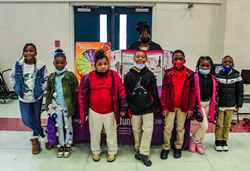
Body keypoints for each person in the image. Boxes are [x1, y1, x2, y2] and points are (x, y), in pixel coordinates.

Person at [78, 50, 128, 162]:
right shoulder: (89, 77)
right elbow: (83, 94)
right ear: (94, 65)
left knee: (111, 132)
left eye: (105, 64)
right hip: (94, 110)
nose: (103, 67)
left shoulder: (114, 76)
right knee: (95, 132)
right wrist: (84, 110)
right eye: (100, 64)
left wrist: (123, 108)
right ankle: (95, 151)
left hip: (110, 111)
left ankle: (112, 152)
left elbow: (121, 92)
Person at [9, 43, 50, 154]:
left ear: (35, 53)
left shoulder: (41, 66)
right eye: (26, 51)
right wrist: (16, 88)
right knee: (27, 120)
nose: (28, 53)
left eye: (31, 51)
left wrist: (41, 89)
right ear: (23, 53)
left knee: (36, 119)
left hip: (37, 97)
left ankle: (35, 142)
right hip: (23, 98)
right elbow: (11, 76)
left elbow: (46, 79)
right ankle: (43, 135)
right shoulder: (18, 65)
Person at [124, 50, 161, 167]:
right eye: (138, 56)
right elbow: (124, 92)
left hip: (148, 108)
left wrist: (157, 107)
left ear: (146, 59)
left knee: (148, 130)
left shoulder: (150, 74)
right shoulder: (129, 75)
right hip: (134, 108)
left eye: (142, 57)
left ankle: (144, 153)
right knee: (136, 130)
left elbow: (154, 92)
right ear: (134, 59)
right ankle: (138, 150)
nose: (140, 58)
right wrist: (125, 107)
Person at [160, 50, 196, 159]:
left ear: (184, 60)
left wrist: (190, 108)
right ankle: (166, 147)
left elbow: (192, 93)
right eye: (175, 59)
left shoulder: (190, 74)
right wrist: (164, 106)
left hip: (183, 107)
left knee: (180, 128)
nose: (178, 61)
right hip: (170, 107)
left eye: (180, 59)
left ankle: (178, 147)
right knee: (168, 128)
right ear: (172, 60)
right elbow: (164, 91)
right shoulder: (168, 73)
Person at [46, 49, 78, 158]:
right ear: (53, 63)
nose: (59, 65)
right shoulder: (51, 78)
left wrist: (74, 104)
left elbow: (75, 90)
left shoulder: (70, 76)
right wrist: (48, 108)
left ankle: (68, 143)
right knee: (59, 126)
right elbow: (49, 94)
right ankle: (61, 144)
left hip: (67, 106)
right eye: (57, 62)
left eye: (62, 63)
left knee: (68, 125)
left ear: (66, 63)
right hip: (56, 107)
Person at [189, 56, 219, 154]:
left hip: (209, 103)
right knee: (204, 126)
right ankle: (193, 139)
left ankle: (199, 143)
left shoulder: (213, 78)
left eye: (207, 66)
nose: (205, 68)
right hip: (199, 104)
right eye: (202, 65)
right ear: (198, 65)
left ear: (211, 66)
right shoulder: (194, 77)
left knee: (205, 124)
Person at [214, 55, 243, 151]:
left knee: (227, 125)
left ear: (233, 64)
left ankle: (224, 140)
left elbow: (240, 92)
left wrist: (238, 105)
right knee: (219, 124)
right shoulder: (217, 76)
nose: (227, 63)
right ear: (221, 64)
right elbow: (215, 91)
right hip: (220, 105)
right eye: (225, 62)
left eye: (229, 62)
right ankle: (218, 141)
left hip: (230, 105)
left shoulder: (237, 76)